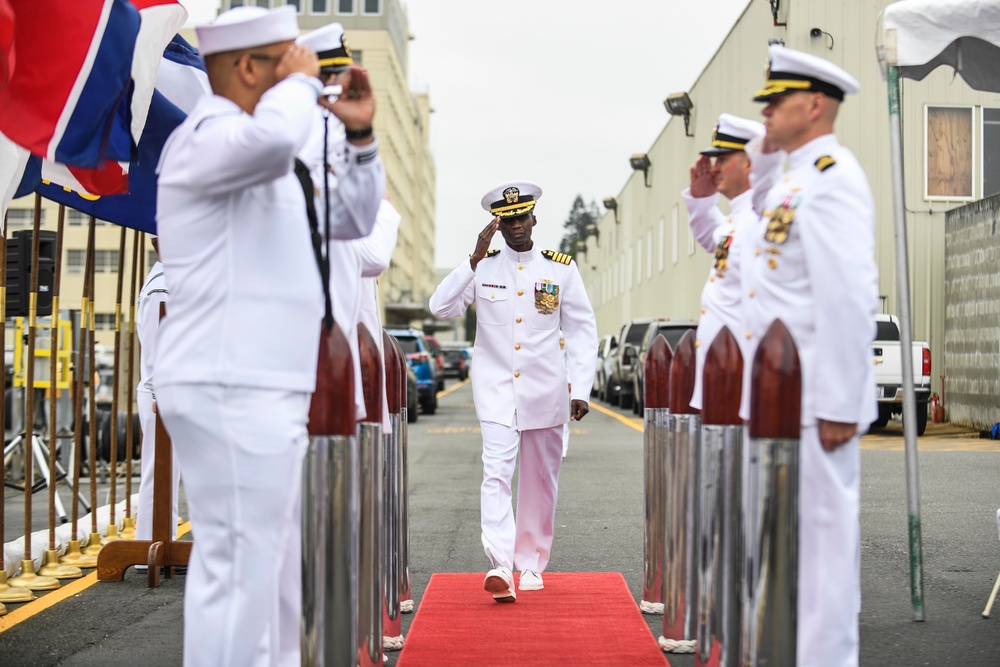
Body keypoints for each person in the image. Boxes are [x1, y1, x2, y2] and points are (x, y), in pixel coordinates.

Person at [153, 6, 381, 666]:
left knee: (272, 566)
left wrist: (361, 142)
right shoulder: (208, 137)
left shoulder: (260, 153)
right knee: (239, 570)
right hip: (229, 383)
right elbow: (277, 142)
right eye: (290, 60)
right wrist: (302, 88)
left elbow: (354, 218)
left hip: (265, 384)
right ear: (248, 68)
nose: (307, 72)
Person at [741, 44, 878, 667]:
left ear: (815, 103)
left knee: (822, 552)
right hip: (778, 398)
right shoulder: (795, 177)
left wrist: (840, 402)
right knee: (786, 550)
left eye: (777, 101)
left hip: (813, 400)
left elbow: (847, 298)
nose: (765, 113)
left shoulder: (831, 178)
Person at [429, 182, 598, 602]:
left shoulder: (560, 269)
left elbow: (581, 331)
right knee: (496, 473)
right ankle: (501, 563)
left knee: (541, 479)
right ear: (498, 225)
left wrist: (581, 387)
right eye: (507, 220)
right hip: (496, 390)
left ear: (534, 219)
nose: (516, 225)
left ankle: (532, 563)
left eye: (522, 217)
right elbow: (441, 308)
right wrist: (470, 261)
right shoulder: (481, 267)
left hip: (546, 389)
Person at [298, 22, 385, 422]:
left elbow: (357, 220)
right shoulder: (291, 132)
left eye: (338, 80)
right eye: (326, 81)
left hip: (335, 334)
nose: (333, 94)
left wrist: (362, 136)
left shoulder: (338, 131)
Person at [682, 113, 764, 410]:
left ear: (749, 162)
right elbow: (715, 240)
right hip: (724, 377)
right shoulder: (739, 219)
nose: (714, 169)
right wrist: (702, 200)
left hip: (740, 377)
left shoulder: (758, 219)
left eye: (723, 159)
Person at [133, 236, 178, 547]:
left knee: (168, 476)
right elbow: (154, 353)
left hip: (169, 393)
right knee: (159, 474)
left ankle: (164, 542)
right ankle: (151, 544)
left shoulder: (171, 280)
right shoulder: (161, 285)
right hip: (160, 395)